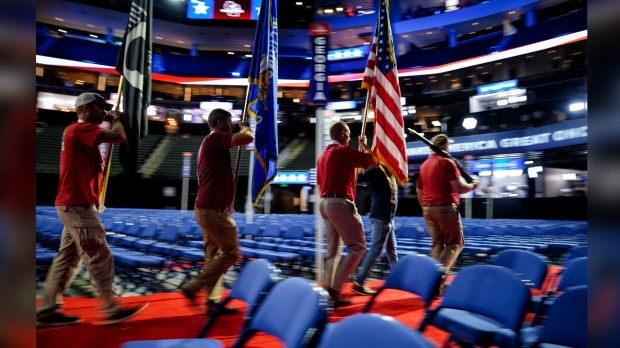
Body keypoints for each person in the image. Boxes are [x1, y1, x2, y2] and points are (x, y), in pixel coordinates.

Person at [36, 92, 148, 327]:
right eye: (100, 107)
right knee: (99, 254)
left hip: (73, 204)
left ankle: (47, 310)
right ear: (87, 108)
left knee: (67, 258)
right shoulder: (81, 128)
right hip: (77, 205)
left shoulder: (76, 131)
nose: (104, 111)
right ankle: (111, 307)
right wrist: (117, 118)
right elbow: (117, 136)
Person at [180, 108, 254, 315]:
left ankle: (212, 303)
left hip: (205, 208)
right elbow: (247, 138)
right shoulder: (215, 139)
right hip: (212, 209)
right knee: (232, 252)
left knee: (214, 257)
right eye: (230, 123)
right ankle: (194, 287)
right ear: (220, 123)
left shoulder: (208, 143)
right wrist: (246, 127)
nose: (231, 127)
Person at [317, 121, 376, 308]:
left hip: (325, 203)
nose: (349, 138)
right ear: (342, 134)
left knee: (333, 251)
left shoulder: (323, 155)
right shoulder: (343, 151)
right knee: (358, 246)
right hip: (340, 203)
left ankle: (328, 288)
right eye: (348, 134)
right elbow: (372, 161)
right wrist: (365, 146)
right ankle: (335, 289)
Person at [416, 134, 478, 292]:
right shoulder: (447, 162)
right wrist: (473, 185)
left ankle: (432, 284)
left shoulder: (425, 164)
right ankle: (436, 279)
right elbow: (459, 188)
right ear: (445, 146)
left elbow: (419, 189)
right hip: (444, 207)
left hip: (428, 209)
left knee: (438, 245)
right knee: (455, 244)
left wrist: (425, 206)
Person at [351, 163, 398, 296]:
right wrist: (363, 158)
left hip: (389, 218)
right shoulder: (376, 171)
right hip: (381, 217)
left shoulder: (390, 173)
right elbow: (360, 175)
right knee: (376, 251)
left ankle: (397, 276)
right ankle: (359, 282)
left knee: (392, 250)